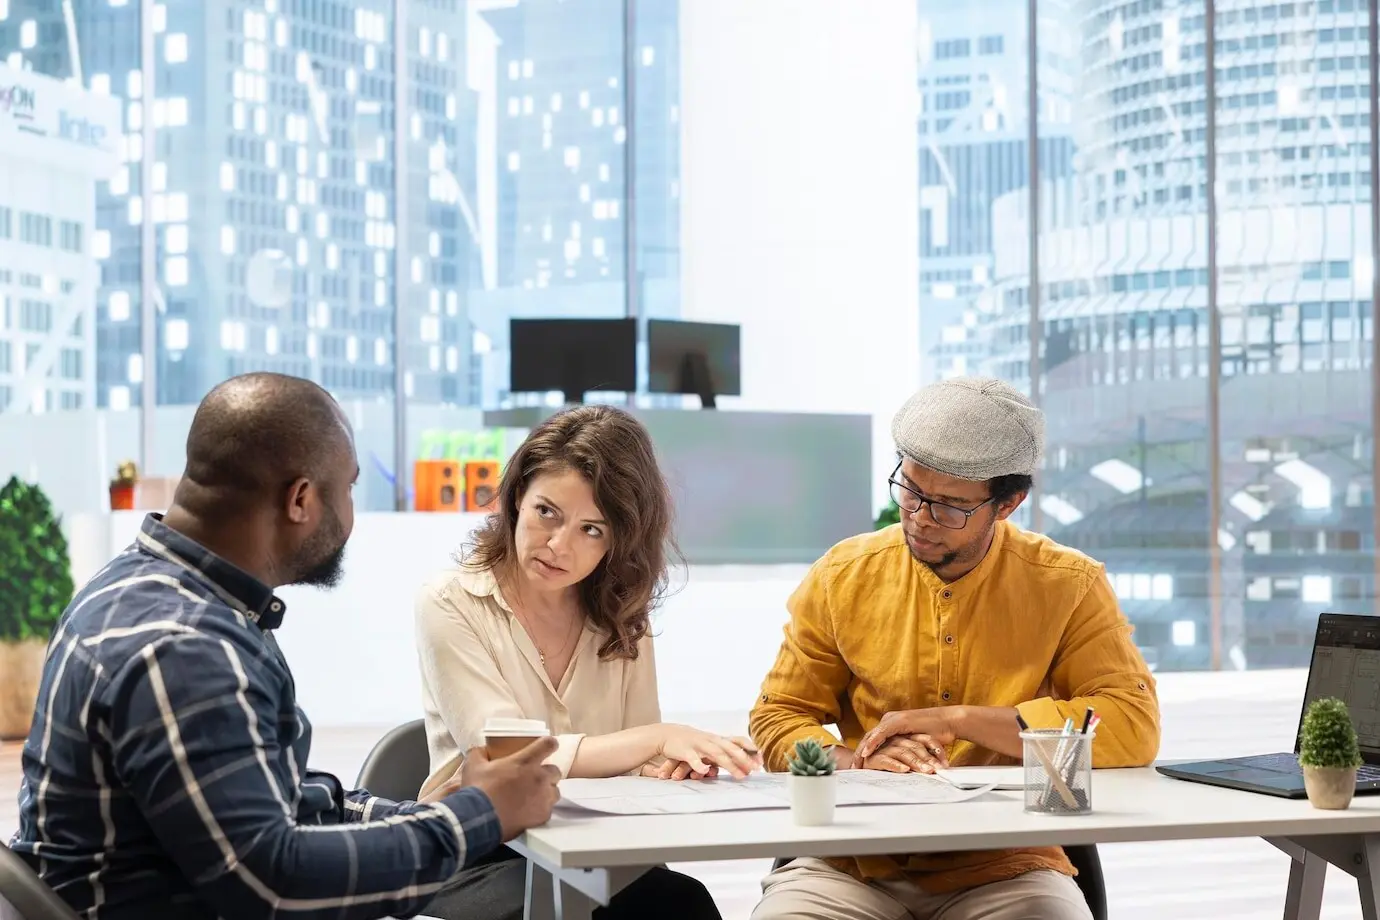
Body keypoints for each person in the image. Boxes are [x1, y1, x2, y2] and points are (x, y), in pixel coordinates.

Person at [7, 373, 561, 920]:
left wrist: (428, 816)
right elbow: (275, 884)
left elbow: (272, 799)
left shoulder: (144, 588)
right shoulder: (184, 647)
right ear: (300, 499)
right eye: (347, 488)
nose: (350, 513)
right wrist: (478, 815)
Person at [748, 376, 1161, 920]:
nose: (918, 519)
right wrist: (856, 763)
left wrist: (962, 721)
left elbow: (1133, 727)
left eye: (948, 507)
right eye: (911, 491)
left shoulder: (1067, 584)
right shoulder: (842, 575)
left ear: (1007, 503)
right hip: (849, 861)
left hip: (1009, 859)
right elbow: (779, 716)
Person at [416, 404, 757, 920]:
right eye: (546, 512)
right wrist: (653, 738)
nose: (558, 545)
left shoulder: (621, 616)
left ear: (619, 539)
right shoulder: (450, 602)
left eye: (591, 529)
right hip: (480, 849)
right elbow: (510, 758)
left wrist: (675, 763)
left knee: (683, 904)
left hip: (594, 841)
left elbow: (638, 755)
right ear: (515, 501)